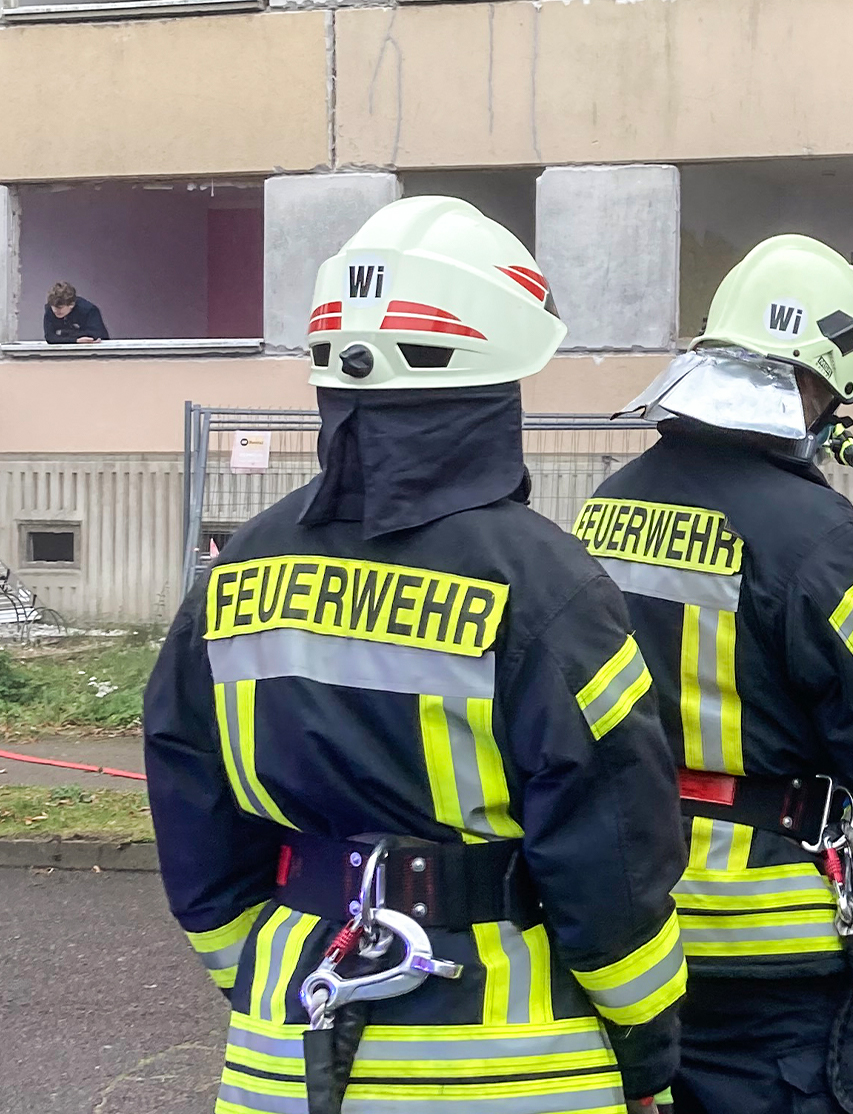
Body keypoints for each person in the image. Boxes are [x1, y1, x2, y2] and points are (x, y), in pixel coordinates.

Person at [142, 198, 689, 1114]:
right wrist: (646, 1043)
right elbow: (613, 845)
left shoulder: (237, 570)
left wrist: (258, 968)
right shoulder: (546, 584)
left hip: (287, 1049)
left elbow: (187, 792)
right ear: (497, 375)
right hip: (508, 1068)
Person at [586, 233, 853, 1114]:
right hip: (776, 956)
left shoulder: (605, 508)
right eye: (839, 395)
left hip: (633, 922)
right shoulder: (814, 534)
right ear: (809, 380)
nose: (839, 418)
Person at [42, 281, 108, 344]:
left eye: (60, 307)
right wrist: (75, 340)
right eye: (53, 306)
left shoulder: (88, 310)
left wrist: (64, 335)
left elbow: (98, 334)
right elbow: (50, 337)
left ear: (71, 305)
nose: (55, 310)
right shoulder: (50, 310)